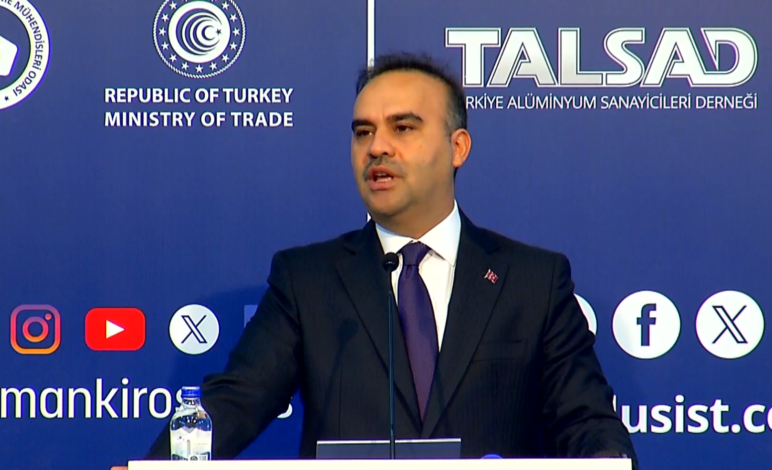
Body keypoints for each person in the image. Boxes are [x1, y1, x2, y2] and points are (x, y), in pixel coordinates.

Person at [112, 52, 638, 469]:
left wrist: (607, 461)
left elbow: (586, 420)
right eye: (363, 132)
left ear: (458, 147)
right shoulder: (309, 281)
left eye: (402, 128)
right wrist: (156, 468)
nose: (377, 147)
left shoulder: (533, 281)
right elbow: (236, 401)